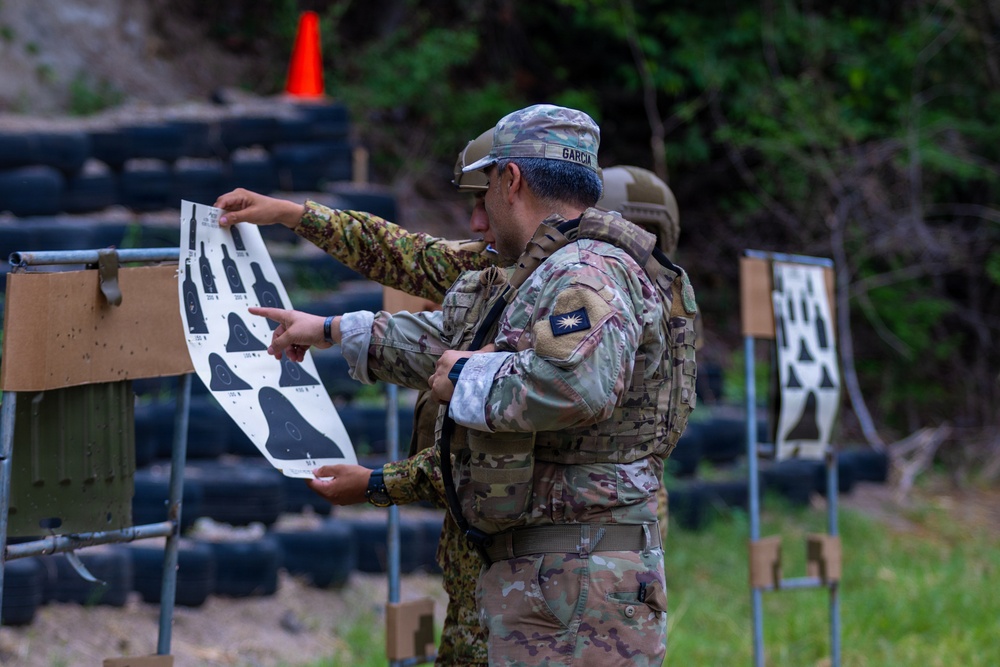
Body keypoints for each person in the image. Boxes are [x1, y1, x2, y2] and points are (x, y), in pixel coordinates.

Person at [246, 104, 698, 666]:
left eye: (482, 193)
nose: (477, 216)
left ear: (511, 180)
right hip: (555, 582)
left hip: (577, 590)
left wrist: (465, 375)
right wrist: (332, 330)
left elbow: (576, 385)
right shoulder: (544, 269)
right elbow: (450, 338)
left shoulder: (584, 272)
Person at [216, 128, 499, 667]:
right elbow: (406, 255)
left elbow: (476, 452)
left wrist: (374, 483)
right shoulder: (505, 267)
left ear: (515, 187)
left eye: (485, 205)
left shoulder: (553, 290)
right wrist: (291, 215)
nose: (475, 223)